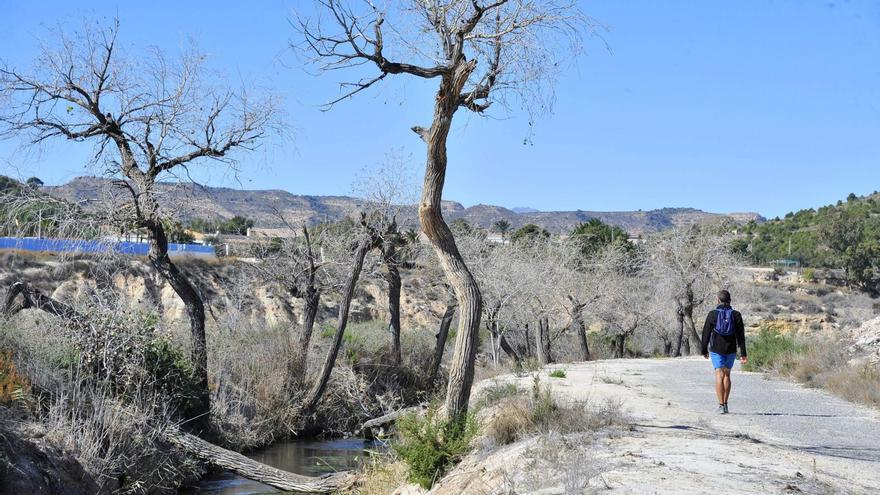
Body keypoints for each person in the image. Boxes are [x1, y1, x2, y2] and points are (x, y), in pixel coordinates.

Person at [701, 289, 747, 414]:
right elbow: (741, 336)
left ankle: (721, 406)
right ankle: (726, 405)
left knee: (719, 375)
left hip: (716, 349)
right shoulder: (736, 315)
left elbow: (706, 333)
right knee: (727, 375)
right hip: (731, 349)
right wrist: (743, 353)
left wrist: (704, 350)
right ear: (730, 300)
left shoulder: (712, 314)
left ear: (718, 300)